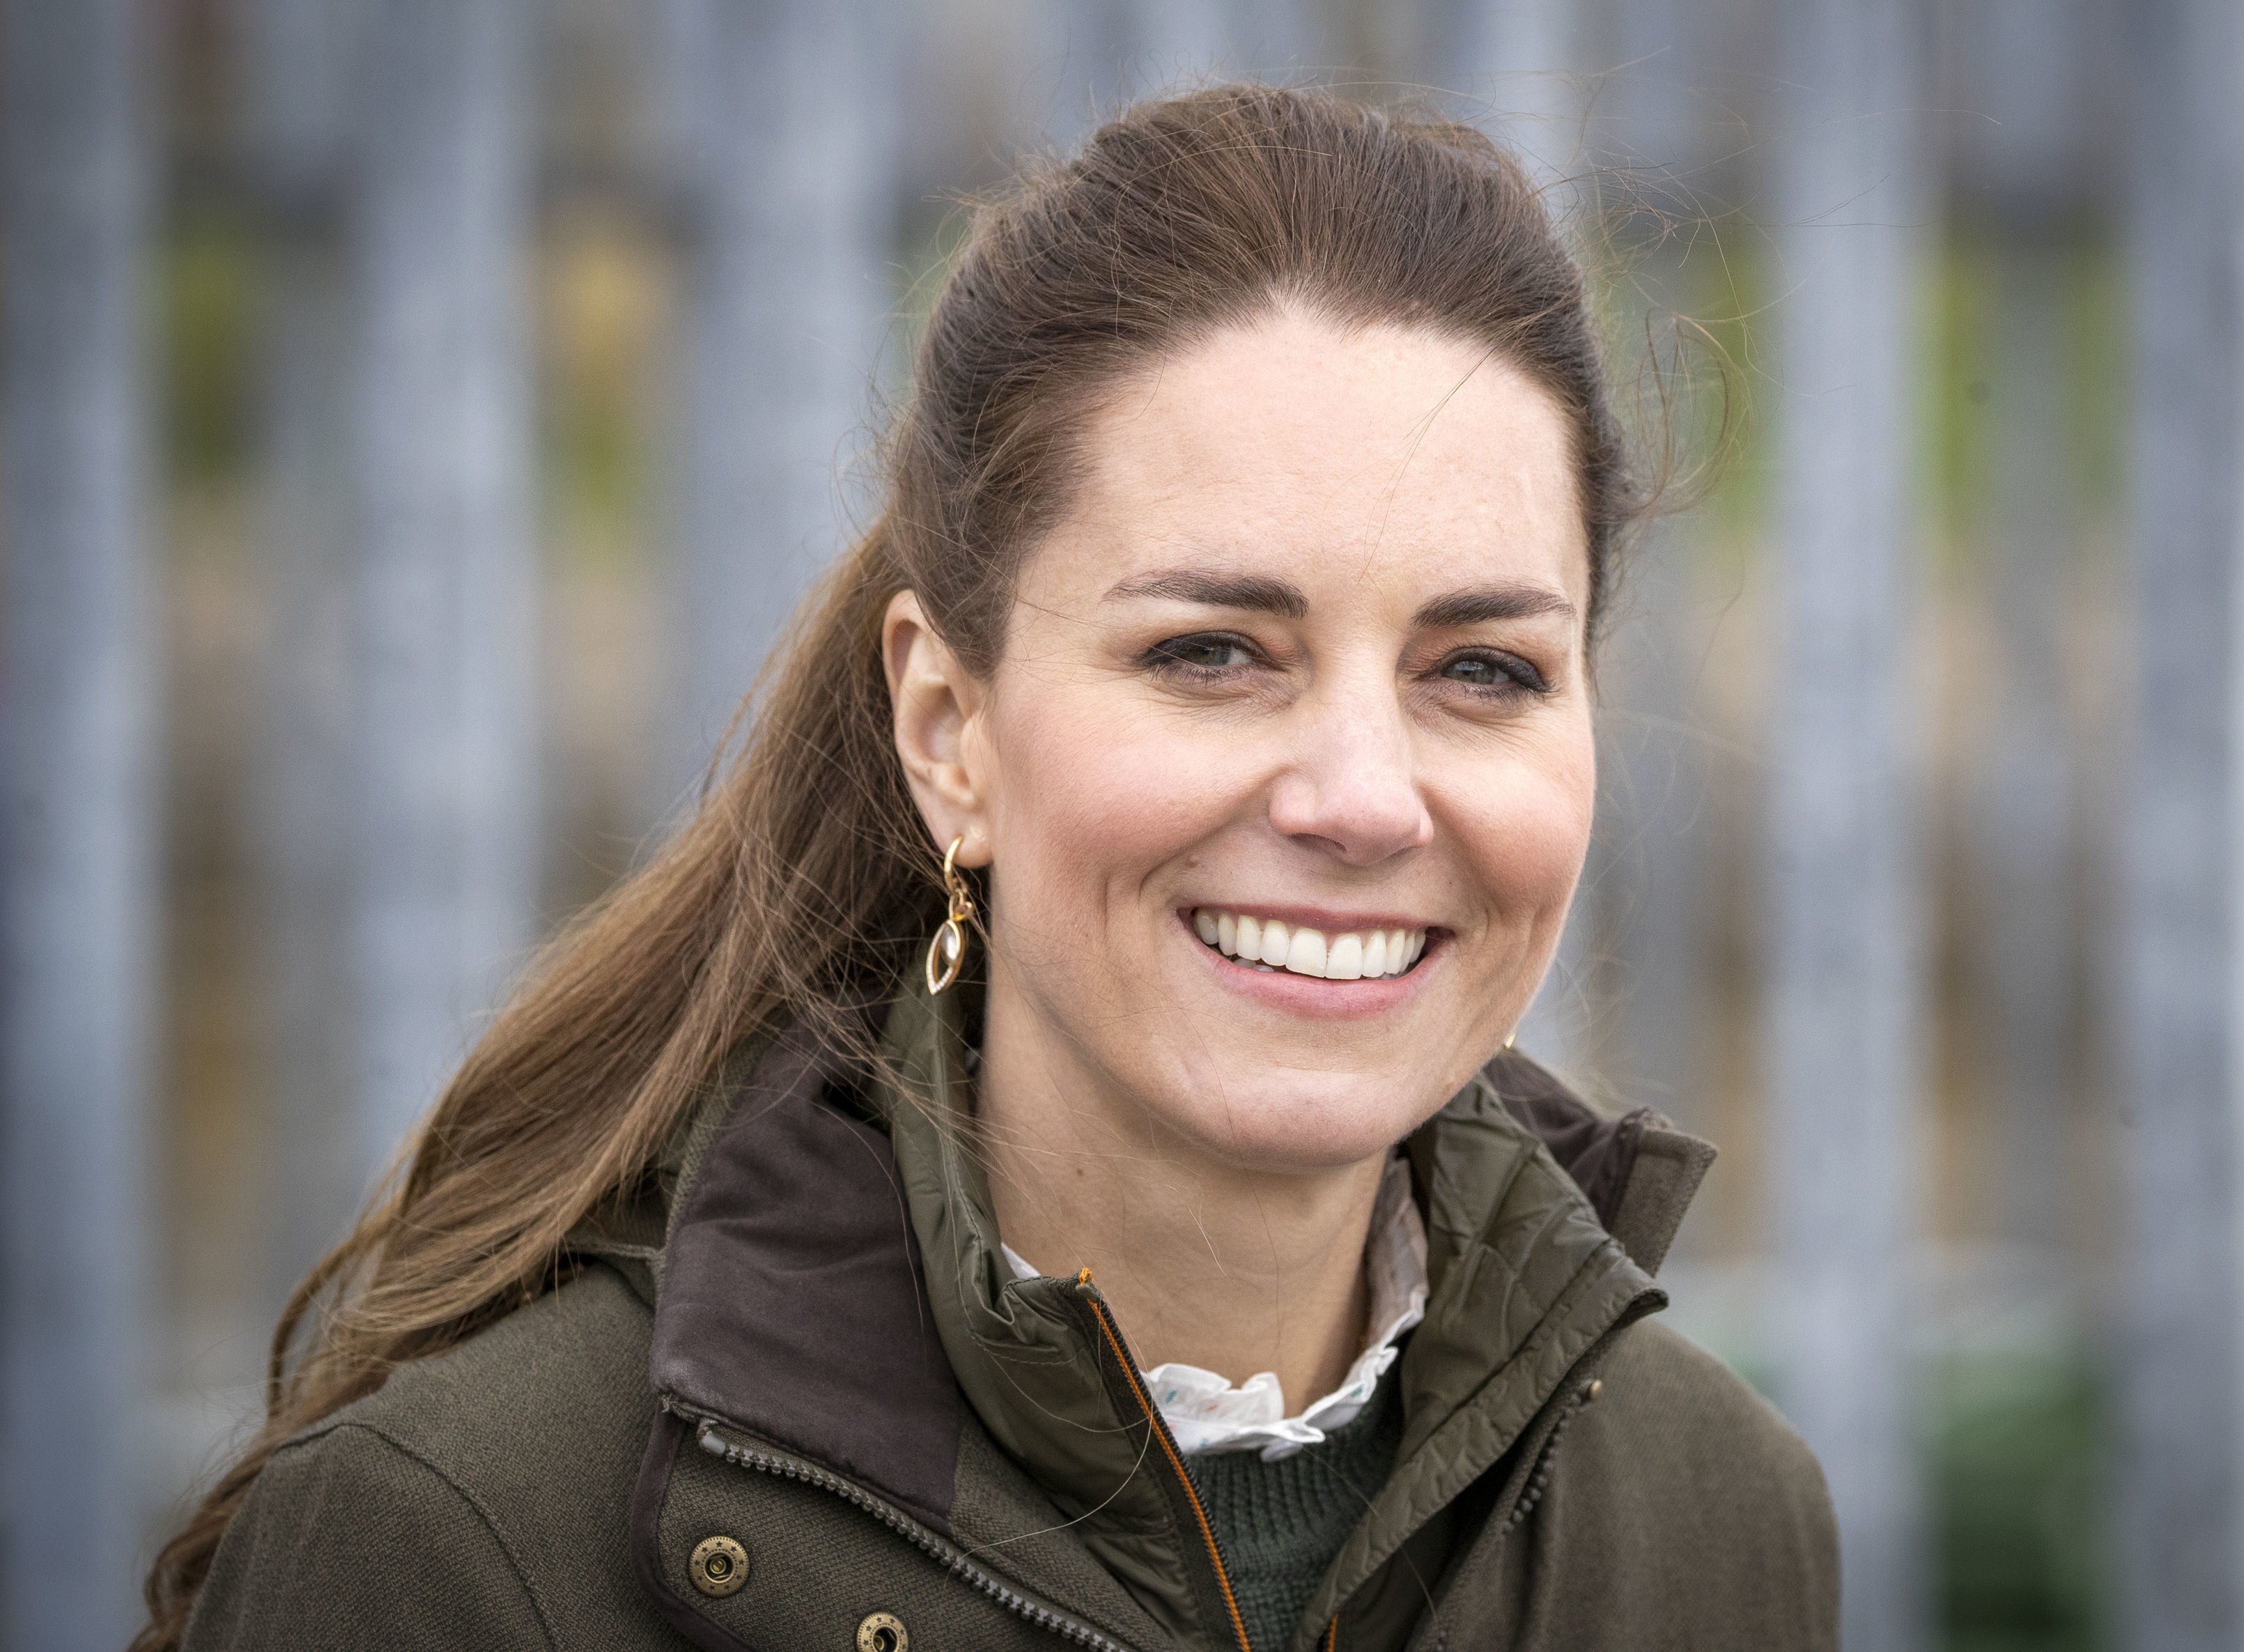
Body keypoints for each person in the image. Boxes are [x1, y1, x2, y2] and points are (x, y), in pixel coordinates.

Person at [139, 84, 1835, 1652]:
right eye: (1212, 652)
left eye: (1482, 670)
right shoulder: (466, 1545)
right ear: (950, 728)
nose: (1362, 798)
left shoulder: (1713, 1524)